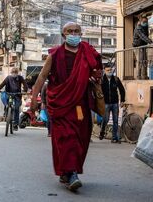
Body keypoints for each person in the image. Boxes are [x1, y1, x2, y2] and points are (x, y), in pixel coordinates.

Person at [31, 22, 102, 192]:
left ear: (81, 33)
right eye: (70, 31)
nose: (73, 34)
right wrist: (34, 98)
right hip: (61, 103)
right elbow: (42, 77)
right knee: (66, 138)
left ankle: (67, 171)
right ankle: (71, 174)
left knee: (80, 139)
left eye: (77, 31)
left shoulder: (88, 51)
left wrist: (95, 76)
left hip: (81, 103)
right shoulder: (55, 55)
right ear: (63, 35)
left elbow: (97, 70)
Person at [100, 64, 126, 143]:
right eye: (108, 70)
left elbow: (122, 90)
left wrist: (122, 101)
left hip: (115, 103)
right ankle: (102, 130)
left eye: (111, 70)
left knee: (115, 121)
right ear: (104, 71)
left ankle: (114, 137)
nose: (109, 71)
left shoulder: (116, 79)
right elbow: (98, 91)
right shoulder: (101, 80)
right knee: (106, 119)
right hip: (106, 103)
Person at [132, 13, 152, 80]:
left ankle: (144, 76)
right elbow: (143, 36)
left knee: (144, 61)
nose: (145, 23)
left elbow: (146, 36)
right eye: (144, 22)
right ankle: (139, 77)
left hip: (143, 46)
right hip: (138, 46)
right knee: (140, 61)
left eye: (146, 22)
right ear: (140, 21)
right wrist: (151, 42)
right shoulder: (138, 28)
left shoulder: (145, 26)